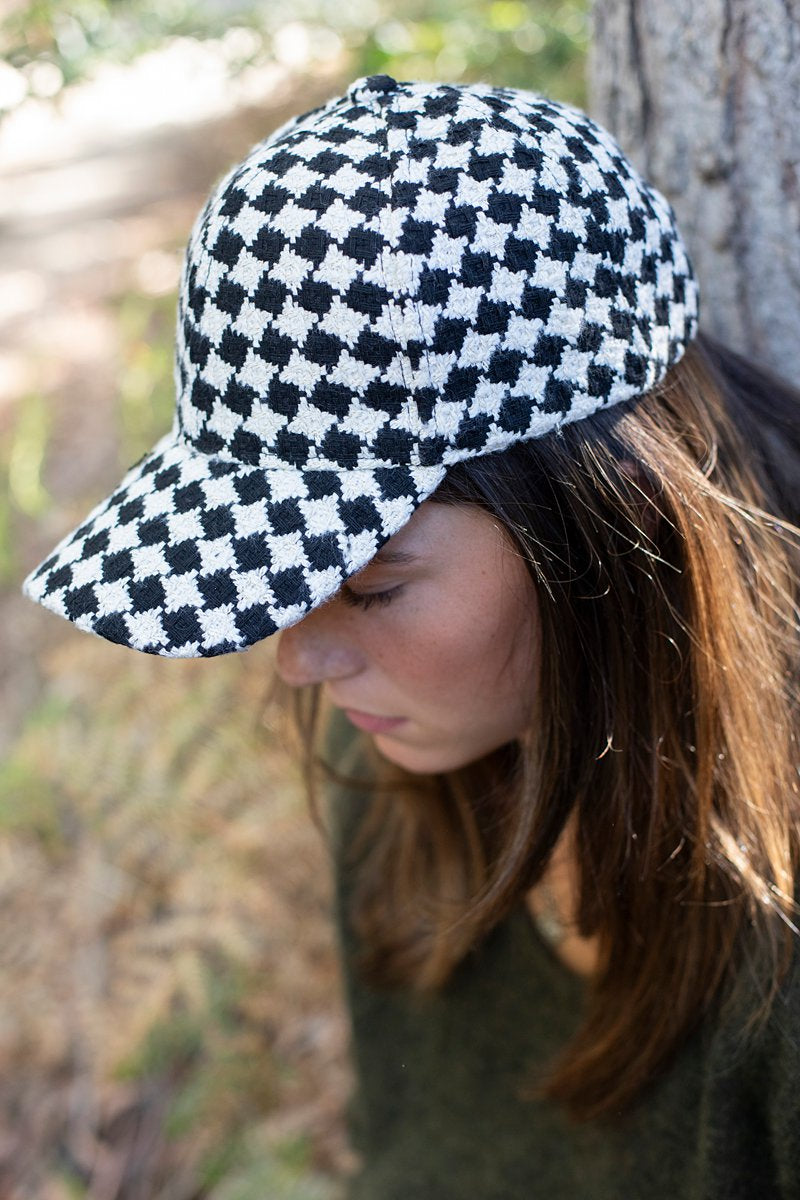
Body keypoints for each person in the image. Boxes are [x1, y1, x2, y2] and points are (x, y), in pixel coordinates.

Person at [23, 75, 800, 1197]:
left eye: (372, 587)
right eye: (277, 580)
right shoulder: (400, 778)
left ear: (617, 517)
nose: (299, 658)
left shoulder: (774, 968)